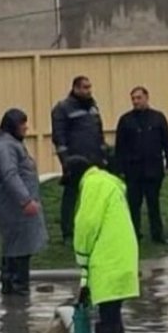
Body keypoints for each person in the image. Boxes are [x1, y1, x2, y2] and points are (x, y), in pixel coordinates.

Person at [66, 155, 140, 333]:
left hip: (109, 259)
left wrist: (80, 257)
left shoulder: (93, 184)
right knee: (113, 313)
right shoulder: (107, 183)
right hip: (122, 256)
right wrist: (84, 284)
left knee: (108, 317)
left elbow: (86, 225)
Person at [0, 108, 49, 295]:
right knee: (18, 250)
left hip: (15, 208)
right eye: (22, 124)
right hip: (15, 209)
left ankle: (13, 293)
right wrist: (25, 200)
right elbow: (10, 175)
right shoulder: (5, 147)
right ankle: (18, 294)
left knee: (17, 248)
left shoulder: (9, 144)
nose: (26, 128)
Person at [114, 86, 168, 244]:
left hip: (153, 168)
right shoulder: (125, 120)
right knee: (134, 204)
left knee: (153, 203)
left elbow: (167, 142)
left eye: (138, 98)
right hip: (133, 170)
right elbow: (119, 146)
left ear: (147, 98)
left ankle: (158, 235)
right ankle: (133, 234)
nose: (136, 101)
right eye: (133, 98)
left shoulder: (158, 118)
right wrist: (119, 168)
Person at [51, 76, 109, 244]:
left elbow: (99, 132)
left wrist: (103, 155)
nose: (88, 91)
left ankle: (91, 229)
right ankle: (68, 233)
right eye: (85, 88)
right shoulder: (63, 108)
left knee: (93, 196)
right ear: (75, 88)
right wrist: (66, 161)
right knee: (71, 195)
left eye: (90, 87)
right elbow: (59, 137)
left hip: (95, 159)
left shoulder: (92, 106)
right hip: (75, 160)